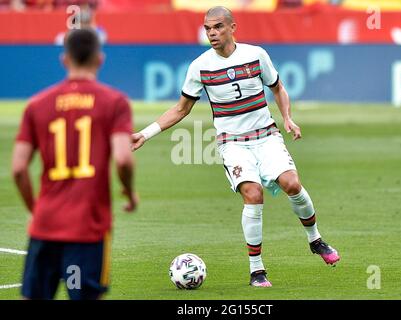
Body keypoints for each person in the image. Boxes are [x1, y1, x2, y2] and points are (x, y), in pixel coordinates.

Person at [131, 6, 340, 287]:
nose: (212, 33)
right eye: (207, 28)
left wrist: (287, 118)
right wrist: (145, 133)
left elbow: (277, 87)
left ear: (232, 27)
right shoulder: (200, 66)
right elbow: (182, 109)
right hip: (233, 143)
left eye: (217, 27)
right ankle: (257, 270)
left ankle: (315, 240)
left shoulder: (256, 55)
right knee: (253, 194)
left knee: (292, 183)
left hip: (266, 135)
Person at [12, 28, 137, 300]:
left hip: (45, 227)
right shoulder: (114, 102)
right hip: (87, 229)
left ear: (64, 59)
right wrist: (129, 190)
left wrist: (36, 210)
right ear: (99, 59)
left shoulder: (37, 105)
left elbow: (19, 168)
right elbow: (124, 158)